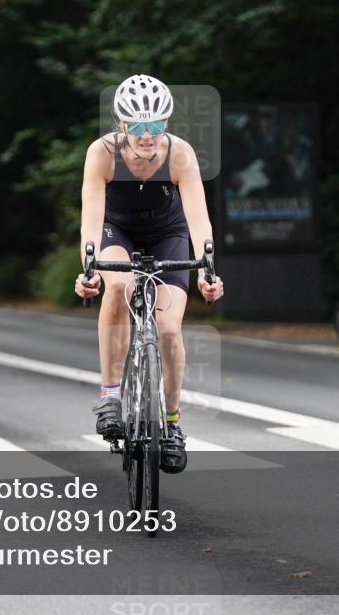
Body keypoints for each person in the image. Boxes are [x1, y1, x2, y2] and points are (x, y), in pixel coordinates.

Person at [74, 74, 225, 474]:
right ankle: (110, 394)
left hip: (168, 234)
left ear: (167, 124)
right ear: (121, 125)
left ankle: (172, 423)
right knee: (119, 284)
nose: (147, 135)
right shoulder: (102, 153)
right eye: (138, 126)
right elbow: (90, 219)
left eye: (156, 125)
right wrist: (88, 267)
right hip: (116, 230)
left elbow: (198, 221)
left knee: (170, 330)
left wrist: (208, 270)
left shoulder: (180, 154)